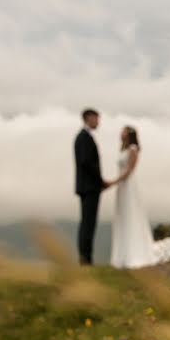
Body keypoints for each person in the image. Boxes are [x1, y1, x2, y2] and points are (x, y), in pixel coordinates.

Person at [109, 125, 170, 268]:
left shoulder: (133, 149)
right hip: (122, 188)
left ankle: (133, 252)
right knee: (123, 216)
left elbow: (130, 170)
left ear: (129, 134)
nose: (120, 134)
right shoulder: (124, 149)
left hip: (128, 186)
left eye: (123, 131)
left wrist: (114, 181)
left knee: (131, 215)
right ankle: (123, 254)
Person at [73, 108, 109, 265]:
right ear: (89, 118)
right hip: (89, 187)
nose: (98, 122)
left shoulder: (84, 137)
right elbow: (86, 162)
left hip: (87, 186)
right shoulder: (84, 137)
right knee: (88, 223)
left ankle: (85, 258)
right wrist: (100, 181)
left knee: (87, 223)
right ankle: (85, 259)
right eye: (96, 119)